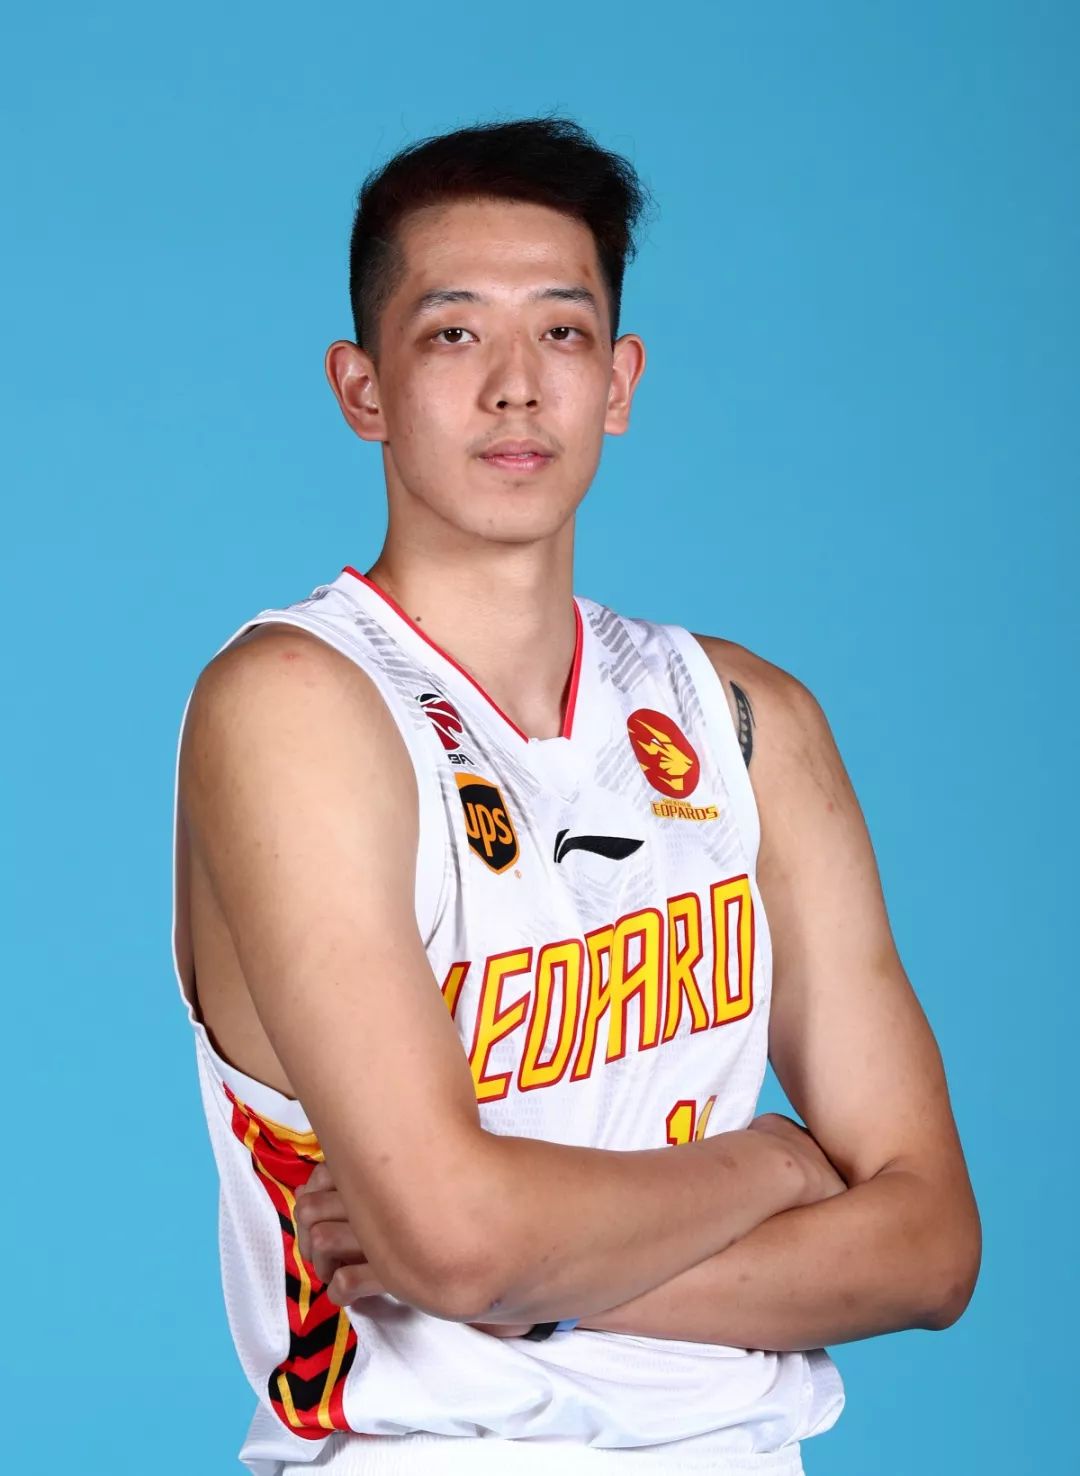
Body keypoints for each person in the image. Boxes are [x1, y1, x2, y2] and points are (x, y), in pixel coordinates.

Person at [170, 115, 981, 1476]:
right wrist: (776, 1168)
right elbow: (457, 1243)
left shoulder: (747, 721)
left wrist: (520, 1267)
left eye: (560, 332)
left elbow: (932, 1249)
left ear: (618, 380)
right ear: (362, 389)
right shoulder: (297, 703)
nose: (514, 388)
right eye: (452, 334)